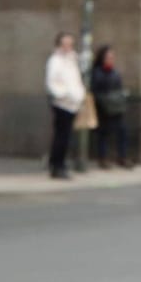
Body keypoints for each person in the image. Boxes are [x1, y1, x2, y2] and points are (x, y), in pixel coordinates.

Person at [45, 33, 85, 180]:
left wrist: (79, 95)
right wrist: (63, 95)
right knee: (61, 136)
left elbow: (76, 80)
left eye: (70, 44)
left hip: (73, 103)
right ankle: (57, 165)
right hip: (62, 103)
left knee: (66, 136)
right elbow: (52, 82)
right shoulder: (55, 61)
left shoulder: (72, 60)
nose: (68, 47)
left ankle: (59, 163)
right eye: (65, 44)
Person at [90, 45, 132, 170]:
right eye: (108, 57)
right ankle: (102, 158)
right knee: (103, 134)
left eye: (112, 57)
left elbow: (118, 87)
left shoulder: (115, 72)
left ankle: (122, 157)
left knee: (122, 131)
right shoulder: (97, 73)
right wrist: (104, 101)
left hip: (116, 107)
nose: (111, 59)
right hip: (103, 107)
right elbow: (95, 90)